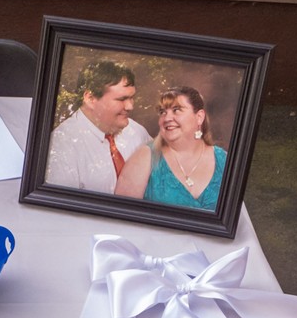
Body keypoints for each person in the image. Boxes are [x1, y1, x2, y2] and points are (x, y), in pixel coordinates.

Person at [45, 61, 152, 194]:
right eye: (121, 99)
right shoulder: (61, 146)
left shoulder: (137, 132)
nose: (130, 106)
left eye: (131, 98)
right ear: (90, 98)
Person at [115, 87, 227, 211]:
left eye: (176, 110)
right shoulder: (145, 157)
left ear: (199, 117)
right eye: (162, 112)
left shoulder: (225, 161)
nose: (167, 118)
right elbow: (120, 214)